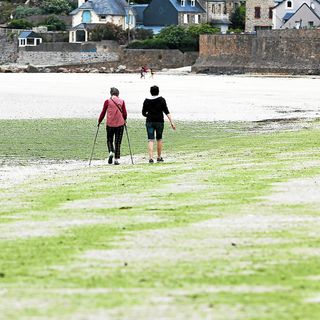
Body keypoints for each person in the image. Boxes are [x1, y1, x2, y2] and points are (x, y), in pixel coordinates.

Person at [142, 85, 176, 163]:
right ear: (158, 91)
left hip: (149, 121)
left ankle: (150, 158)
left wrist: (148, 115)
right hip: (159, 121)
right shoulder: (161, 100)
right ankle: (159, 157)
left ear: (150, 92)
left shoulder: (146, 100)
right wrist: (172, 122)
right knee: (159, 139)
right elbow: (167, 112)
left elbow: (143, 113)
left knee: (150, 139)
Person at [98, 87, 127, 165]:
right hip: (120, 124)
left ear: (111, 93)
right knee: (118, 142)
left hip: (110, 124)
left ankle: (111, 151)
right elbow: (124, 113)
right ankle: (116, 159)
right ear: (118, 94)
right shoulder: (122, 101)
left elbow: (103, 112)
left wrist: (99, 121)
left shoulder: (107, 101)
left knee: (109, 140)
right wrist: (125, 120)